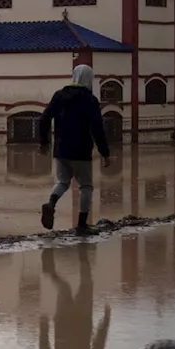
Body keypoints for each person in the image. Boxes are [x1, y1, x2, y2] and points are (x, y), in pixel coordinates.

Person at [38, 64, 111, 235]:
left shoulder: (59, 95)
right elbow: (97, 128)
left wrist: (44, 142)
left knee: (62, 182)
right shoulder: (90, 100)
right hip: (81, 151)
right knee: (85, 186)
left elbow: (44, 118)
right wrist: (105, 153)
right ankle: (81, 225)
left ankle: (51, 203)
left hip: (61, 149)